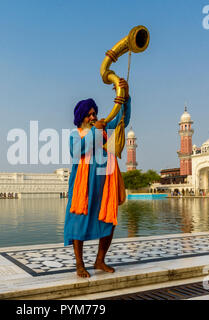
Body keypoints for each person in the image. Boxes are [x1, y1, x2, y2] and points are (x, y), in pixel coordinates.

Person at [64, 91, 131, 278]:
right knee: (78, 223)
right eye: (89, 114)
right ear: (81, 117)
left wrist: (125, 98)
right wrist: (95, 131)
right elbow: (77, 152)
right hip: (82, 188)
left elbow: (121, 119)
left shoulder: (104, 130)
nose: (93, 117)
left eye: (94, 113)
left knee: (109, 222)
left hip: (104, 187)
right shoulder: (75, 135)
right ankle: (79, 264)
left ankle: (99, 260)